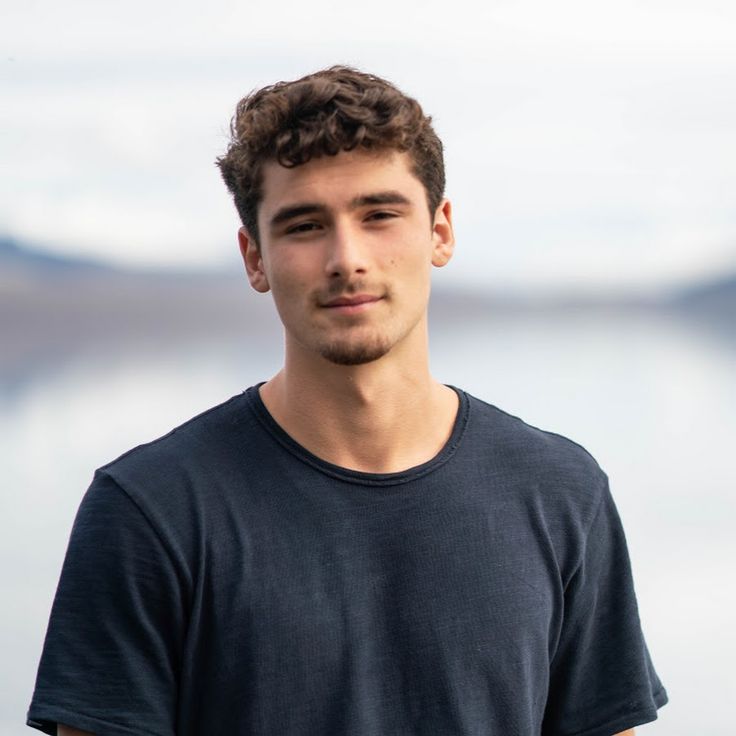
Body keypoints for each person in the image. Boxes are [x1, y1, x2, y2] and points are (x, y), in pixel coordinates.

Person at [28, 66, 667, 736]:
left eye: (380, 215)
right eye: (304, 226)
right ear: (255, 258)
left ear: (440, 231)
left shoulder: (560, 492)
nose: (347, 258)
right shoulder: (150, 510)